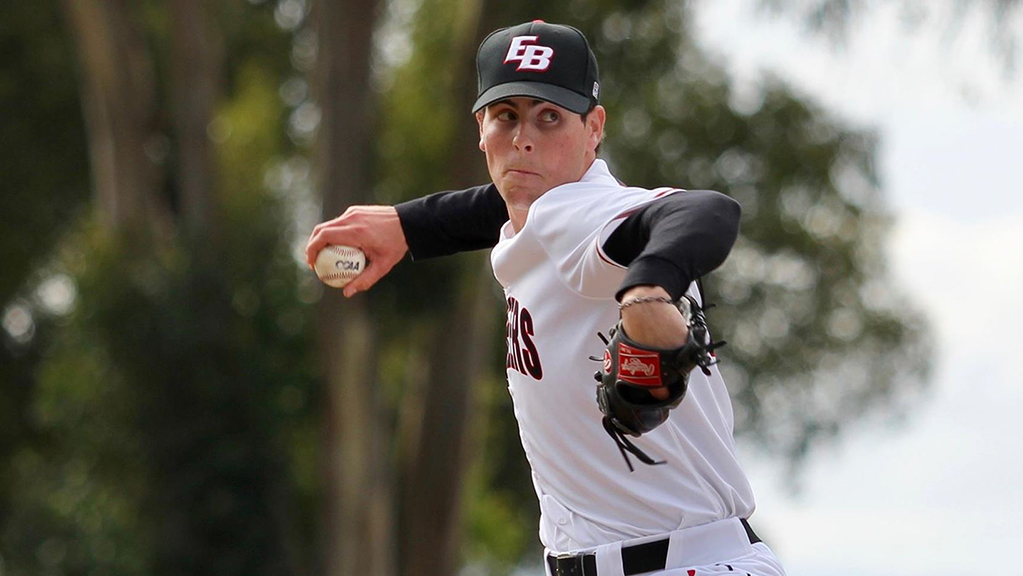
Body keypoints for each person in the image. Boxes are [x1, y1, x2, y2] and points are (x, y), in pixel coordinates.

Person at [306, 20, 787, 576]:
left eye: (550, 116)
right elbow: (506, 205)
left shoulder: (583, 213)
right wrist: (411, 226)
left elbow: (706, 211)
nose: (524, 138)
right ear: (480, 130)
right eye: (506, 116)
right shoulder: (539, 219)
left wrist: (648, 286)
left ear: (594, 128)